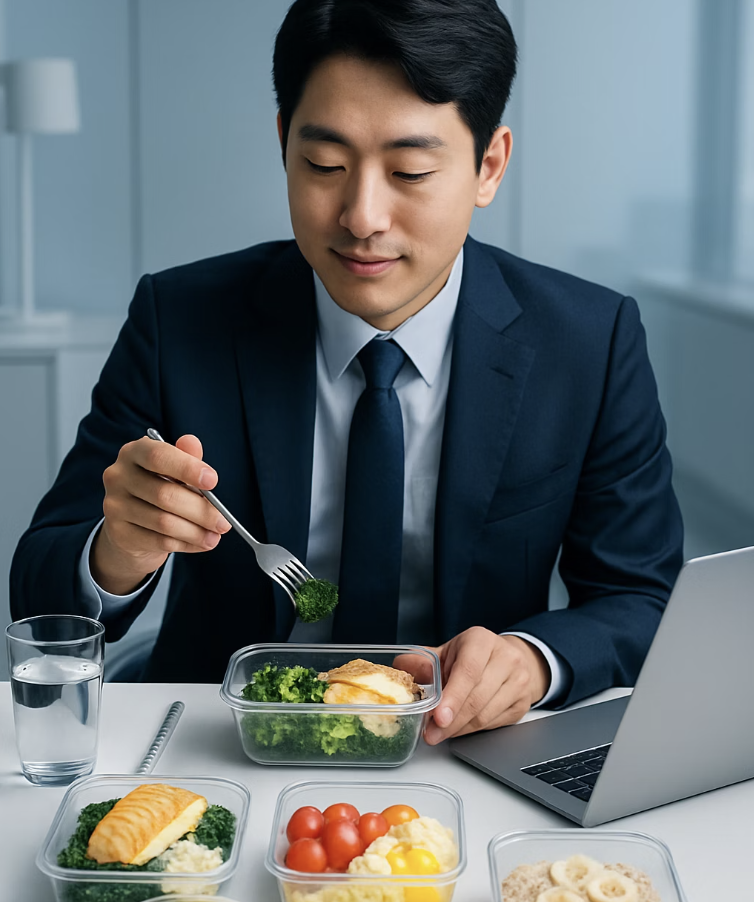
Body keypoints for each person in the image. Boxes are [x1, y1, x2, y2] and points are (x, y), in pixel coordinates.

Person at [10, 0, 683, 745]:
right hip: (224, 743)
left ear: (487, 166)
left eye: (410, 171)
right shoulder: (181, 320)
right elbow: (39, 595)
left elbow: (641, 597)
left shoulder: (587, 341)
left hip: (465, 745)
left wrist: (532, 659)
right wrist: (119, 551)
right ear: (283, 145)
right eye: (324, 166)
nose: (362, 217)